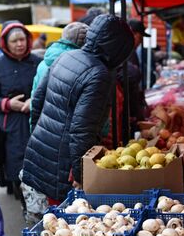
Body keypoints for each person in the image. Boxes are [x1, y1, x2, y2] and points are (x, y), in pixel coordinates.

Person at [22, 14, 134, 201]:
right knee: (67, 223)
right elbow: (82, 130)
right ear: (118, 49)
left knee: (53, 219)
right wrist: (82, 175)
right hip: (65, 166)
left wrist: (39, 140)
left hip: (44, 152)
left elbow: (37, 103)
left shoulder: (65, 56)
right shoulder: (98, 74)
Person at [0, 21, 40, 211]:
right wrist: (7, 104)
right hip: (10, 128)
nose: (19, 44)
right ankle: (27, 209)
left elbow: (47, 88)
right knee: (17, 170)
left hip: (37, 123)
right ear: (5, 43)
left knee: (39, 168)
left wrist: (34, 100)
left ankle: (39, 210)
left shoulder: (37, 62)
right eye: (14, 41)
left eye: (22, 39)